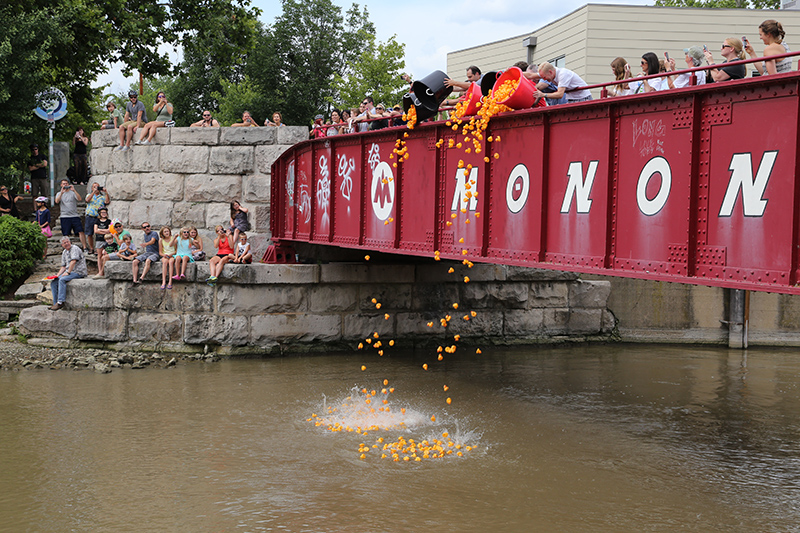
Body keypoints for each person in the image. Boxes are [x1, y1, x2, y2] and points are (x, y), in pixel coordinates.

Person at [50, 237, 87, 311]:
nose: (66, 243)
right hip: (69, 271)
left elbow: (73, 261)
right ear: (62, 245)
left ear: (70, 242)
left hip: (78, 272)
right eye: (64, 243)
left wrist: (68, 272)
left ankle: (61, 302)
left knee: (62, 279)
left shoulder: (74, 248)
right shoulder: (64, 252)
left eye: (67, 242)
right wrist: (57, 275)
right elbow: (63, 266)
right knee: (54, 282)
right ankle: (55, 303)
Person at [55, 179, 87, 251]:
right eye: (63, 184)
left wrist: (74, 190)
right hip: (64, 216)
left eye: (66, 183)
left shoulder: (72, 193)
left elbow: (79, 199)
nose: (65, 185)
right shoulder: (58, 193)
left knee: (80, 231)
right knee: (66, 234)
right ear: (61, 185)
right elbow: (57, 201)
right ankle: (67, 248)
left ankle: (85, 247)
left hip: (74, 215)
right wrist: (61, 192)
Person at [84, 182, 110, 250]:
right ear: (92, 188)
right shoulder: (89, 195)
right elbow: (87, 200)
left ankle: (100, 248)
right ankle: (91, 248)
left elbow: (107, 202)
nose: (96, 188)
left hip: (99, 217)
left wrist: (106, 192)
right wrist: (93, 192)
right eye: (94, 187)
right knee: (89, 233)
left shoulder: (102, 197)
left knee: (100, 233)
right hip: (90, 216)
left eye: (98, 187)